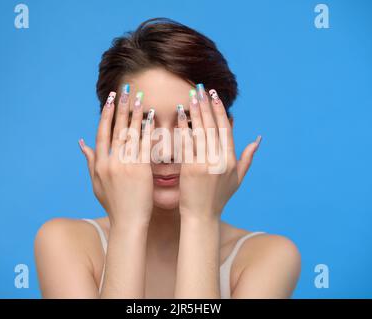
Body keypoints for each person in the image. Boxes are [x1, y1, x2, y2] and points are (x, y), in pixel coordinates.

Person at [35, 18, 301, 299]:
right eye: (142, 125)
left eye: (188, 124)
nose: (165, 151)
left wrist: (200, 219)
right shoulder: (64, 243)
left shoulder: (268, 258)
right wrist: (127, 225)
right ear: (110, 131)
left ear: (224, 133)